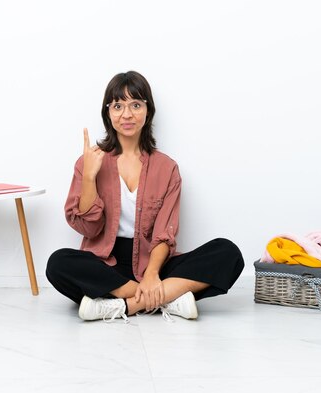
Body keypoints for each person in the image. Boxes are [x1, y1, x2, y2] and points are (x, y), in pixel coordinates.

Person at [46, 71, 244, 322]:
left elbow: (165, 232)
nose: (126, 114)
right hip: (106, 263)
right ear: (108, 112)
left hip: (155, 262)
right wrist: (88, 177)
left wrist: (152, 274)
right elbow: (88, 228)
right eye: (118, 106)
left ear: (147, 111)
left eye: (135, 105)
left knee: (228, 252)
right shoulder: (89, 162)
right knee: (58, 263)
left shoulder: (167, 168)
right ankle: (167, 299)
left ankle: (121, 306)